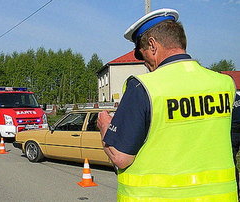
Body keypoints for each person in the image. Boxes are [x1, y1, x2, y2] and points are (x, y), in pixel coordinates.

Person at [97, 8, 238, 200]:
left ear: (153, 46)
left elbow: (120, 157)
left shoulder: (143, 87)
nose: (144, 62)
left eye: (141, 53)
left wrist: (105, 126)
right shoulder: (224, 84)